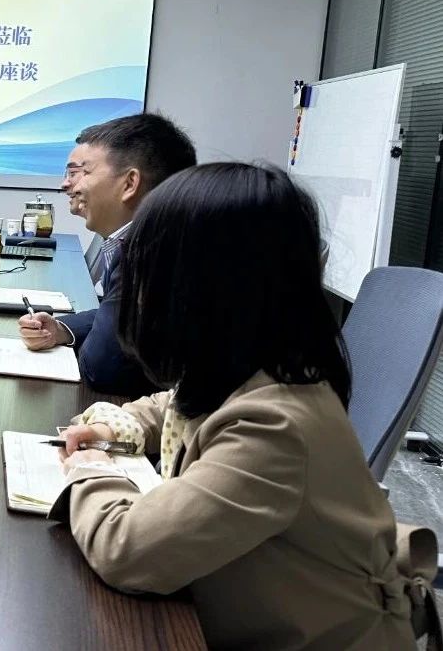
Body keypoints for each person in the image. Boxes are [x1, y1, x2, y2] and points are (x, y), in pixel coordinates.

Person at [49, 163, 419, 649]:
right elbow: (173, 404)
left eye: (147, 273)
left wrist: (92, 469)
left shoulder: (273, 427)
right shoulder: (245, 370)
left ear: (200, 291)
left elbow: (126, 549)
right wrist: (113, 426)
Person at [20, 113, 196, 395]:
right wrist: (62, 329)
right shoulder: (152, 238)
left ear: (129, 184)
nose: (71, 185)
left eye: (85, 172)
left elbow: (101, 368)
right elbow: (115, 313)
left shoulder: (149, 253)